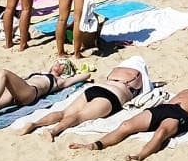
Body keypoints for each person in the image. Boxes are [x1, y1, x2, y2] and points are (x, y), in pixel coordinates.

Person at [70, 78, 188, 160]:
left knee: (162, 132)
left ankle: (141, 155)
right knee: (126, 125)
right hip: (163, 108)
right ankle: (95, 145)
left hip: (182, 114)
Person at [15, 58, 149, 139]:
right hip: (112, 96)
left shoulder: (115, 70)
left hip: (95, 88)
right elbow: (147, 90)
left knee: (64, 113)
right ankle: (53, 130)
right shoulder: (138, 76)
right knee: (80, 117)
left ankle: (34, 124)